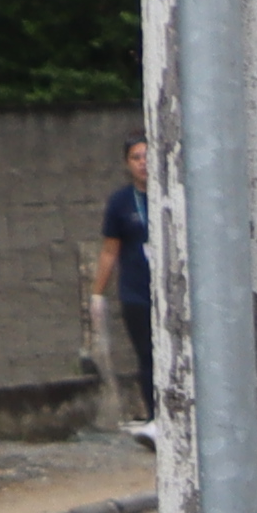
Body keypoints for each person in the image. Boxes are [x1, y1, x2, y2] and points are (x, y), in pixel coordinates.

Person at [93, 138, 155, 439]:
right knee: (147, 355)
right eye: (136, 157)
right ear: (127, 164)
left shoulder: (174, 192)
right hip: (137, 292)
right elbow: (109, 251)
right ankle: (156, 417)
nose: (143, 162)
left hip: (171, 293)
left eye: (147, 155)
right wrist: (97, 293)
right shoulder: (121, 202)